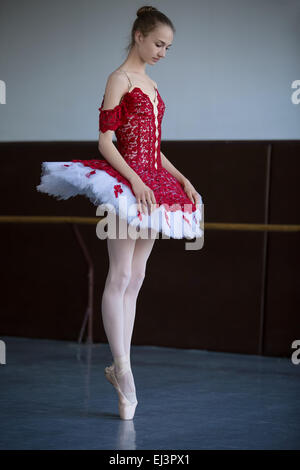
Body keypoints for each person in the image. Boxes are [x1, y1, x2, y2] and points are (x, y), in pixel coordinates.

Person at [36, 5, 204, 420]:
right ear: (139, 37)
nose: (164, 52)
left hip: (153, 183)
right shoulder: (120, 79)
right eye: (159, 43)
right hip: (127, 182)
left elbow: (156, 148)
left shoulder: (152, 84)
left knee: (138, 275)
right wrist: (135, 181)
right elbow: (105, 141)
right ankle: (124, 373)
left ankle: (120, 365)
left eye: (169, 47)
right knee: (121, 274)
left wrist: (182, 179)